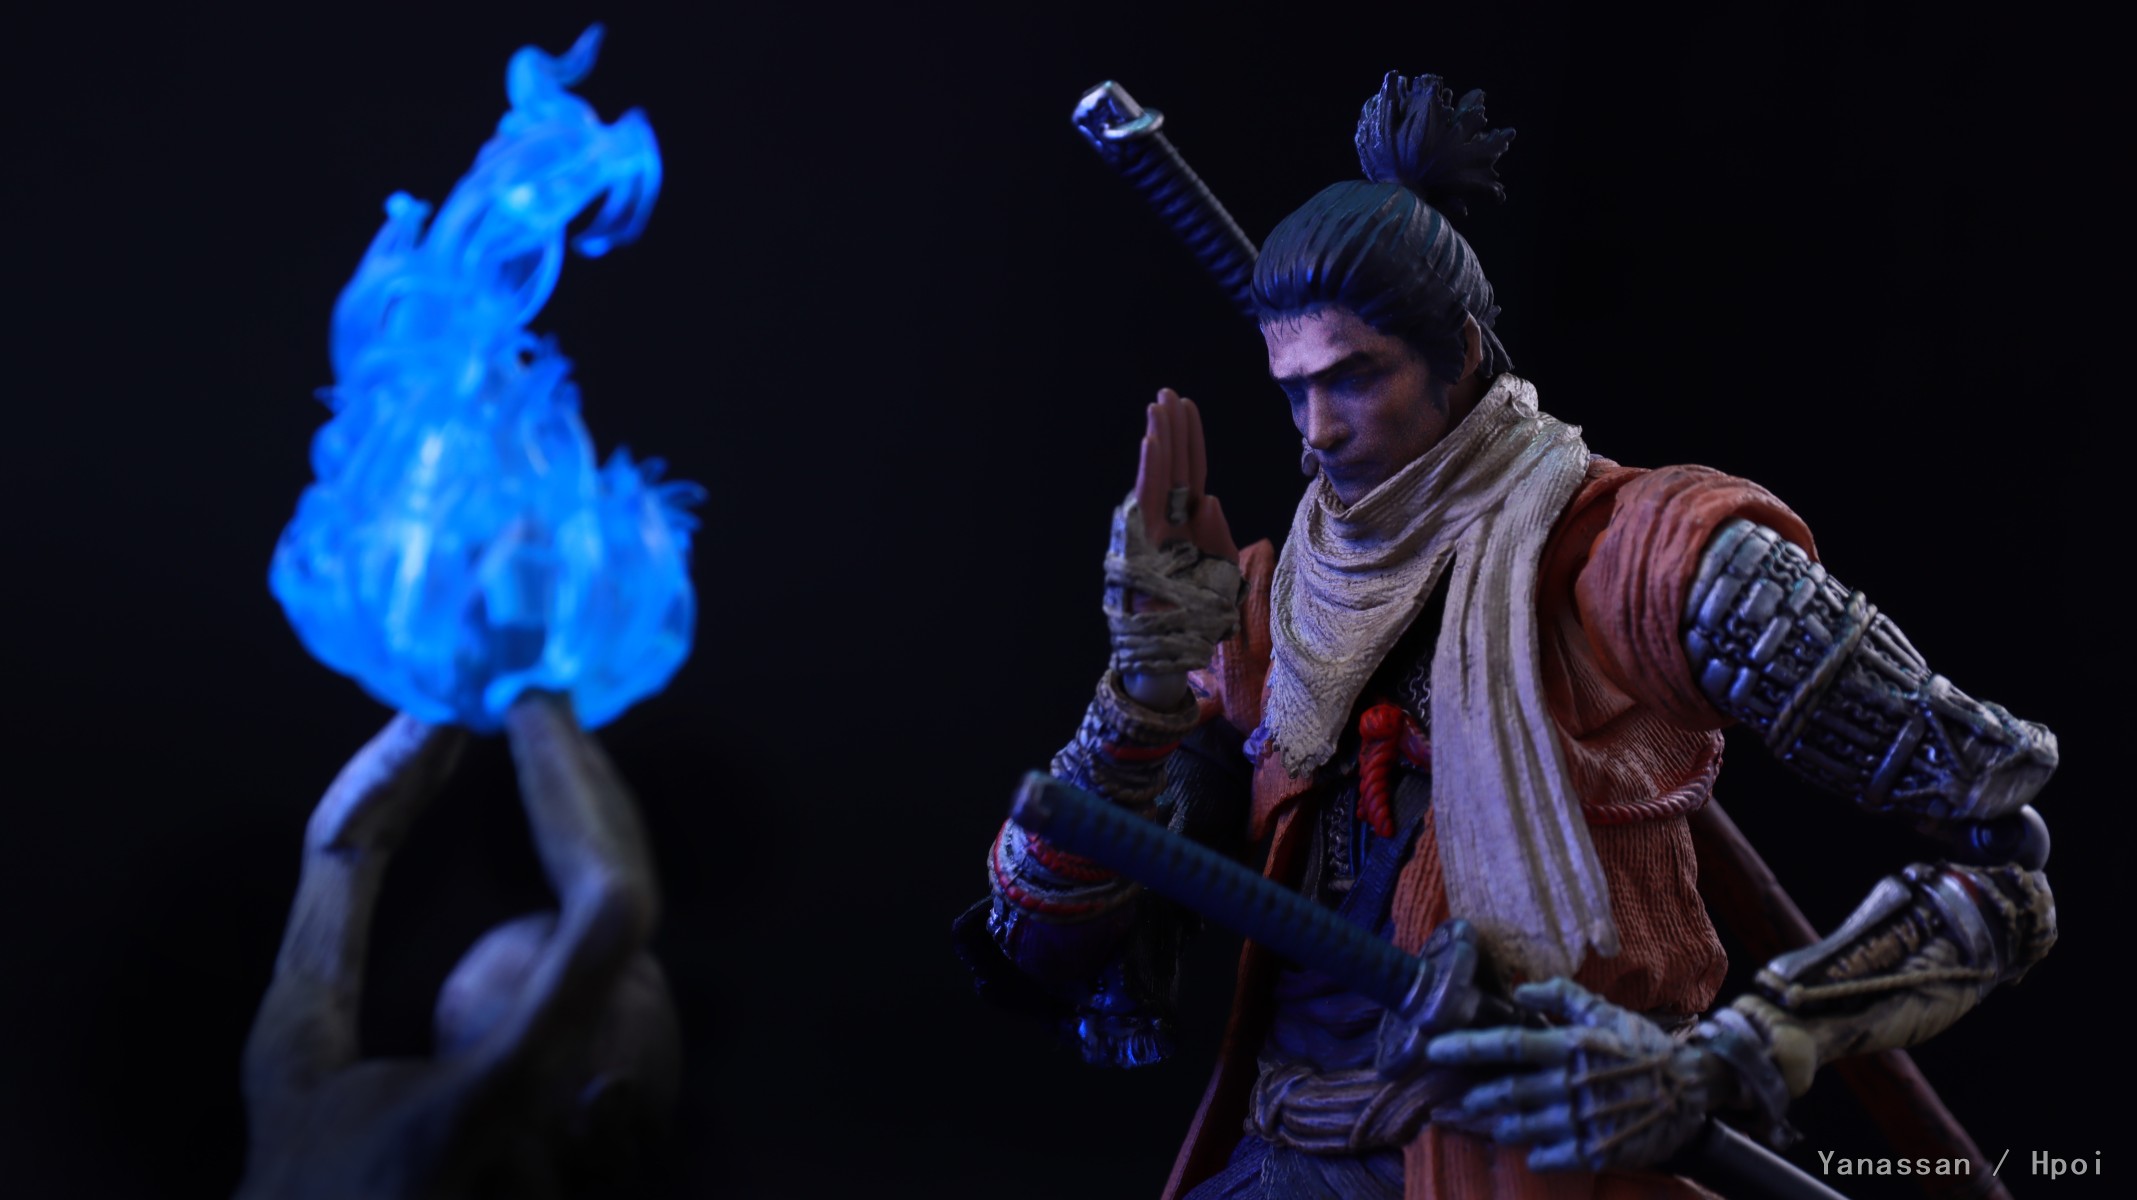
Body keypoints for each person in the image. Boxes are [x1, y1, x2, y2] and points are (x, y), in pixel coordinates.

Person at [958, 72, 2057, 1199]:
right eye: (1293, 391)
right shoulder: (1273, 608)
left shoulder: (1631, 560)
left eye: (1354, 378)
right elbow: (1040, 942)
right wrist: (1140, 695)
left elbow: (2002, 859)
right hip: (1285, 1155)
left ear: (1461, 352)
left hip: (1543, 1164)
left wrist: (1742, 1051)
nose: (1316, 431)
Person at [237, 693, 678, 1200]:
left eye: (618, 976)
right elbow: (344, 843)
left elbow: (612, 905)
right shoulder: (307, 1099)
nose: (558, 950)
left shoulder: (306, 1104)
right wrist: (451, 691)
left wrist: (515, 687)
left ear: (605, 1110)